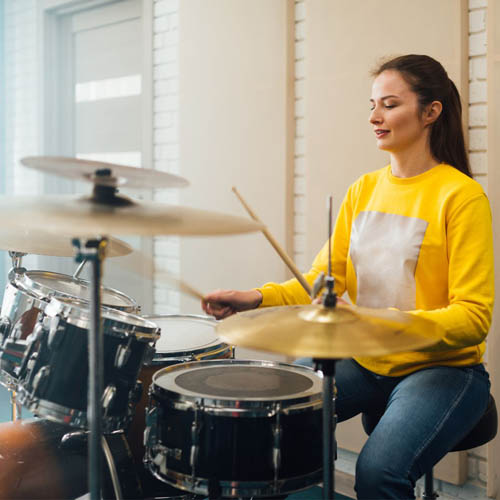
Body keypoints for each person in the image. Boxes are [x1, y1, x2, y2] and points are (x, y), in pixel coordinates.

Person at [202, 54, 493, 500]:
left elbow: (473, 318)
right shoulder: (364, 189)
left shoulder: (461, 196)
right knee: (271, 416)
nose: (375, 117)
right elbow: (321, 282)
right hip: (364, 359)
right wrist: (255, 297)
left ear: (431, 111)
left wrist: (386, 323)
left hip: (443, 369)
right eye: (373, 105)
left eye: (390, 104)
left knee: (377, 475)